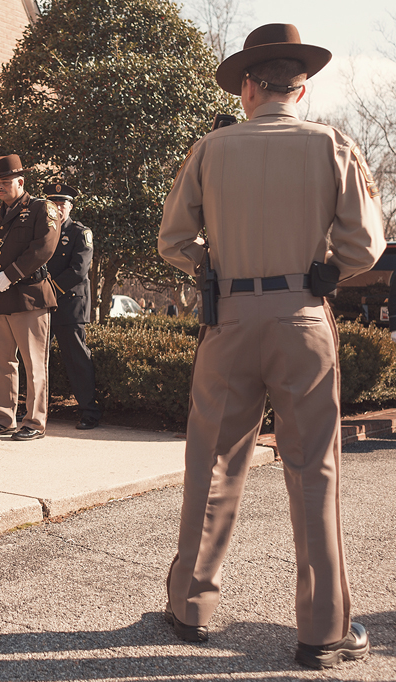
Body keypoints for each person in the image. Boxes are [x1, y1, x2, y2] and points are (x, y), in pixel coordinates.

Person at [158, 24, 385, 668]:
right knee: (314, 468)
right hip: (302, 317)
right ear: (303, 88)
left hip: (228, 316)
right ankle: (323, 630)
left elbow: (173, 242)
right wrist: (328, 270)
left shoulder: (210, 147)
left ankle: (191, 606)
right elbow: (365, 245)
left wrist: (212, 263)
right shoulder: (333, 144)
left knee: (214, 463)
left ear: (250, 87)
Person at [0, 155, 59, 441]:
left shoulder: (41, 209)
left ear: (21, 182)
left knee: (34, 364)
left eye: (6, 182)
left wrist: (9, 275)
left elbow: (43, 247)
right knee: (1, 362)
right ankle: (3, 418)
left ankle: (34, 421)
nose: (1, 187)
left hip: (29, 297)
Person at [45, 182, 101, 430]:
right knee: (37, 360)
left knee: (77, 359)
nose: (58, 208)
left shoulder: (80, 232)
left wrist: (48, 289)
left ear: (70, 206)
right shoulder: (41, 232)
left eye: (62, 203)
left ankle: (89, 411)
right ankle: (36, 412)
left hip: (69, 305)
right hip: (42, 305)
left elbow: (78, 270)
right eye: (53, 203)